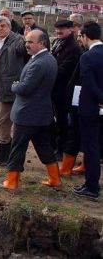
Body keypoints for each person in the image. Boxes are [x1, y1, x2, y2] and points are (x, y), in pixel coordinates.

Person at [2, 30, 59, 190]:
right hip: (41, 113)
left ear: (42, 43)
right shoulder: (49, 59)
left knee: (18, 147)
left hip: (27, 114)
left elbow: (25, 88)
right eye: (26, 41)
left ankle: (12, 181)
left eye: (30, 42)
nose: (26, 44)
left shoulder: (39, 63)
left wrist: (14, 85)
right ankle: (55, 179)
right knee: (43, 146)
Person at [0, 16, 28, 166]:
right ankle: (4, 152)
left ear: (9, 27)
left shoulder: (17, 41)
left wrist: (27, 38)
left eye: (2, 26)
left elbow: (24, 50)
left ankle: (2, 157)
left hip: (8, 87)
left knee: (3, 122)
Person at [72, 21, 103, 201]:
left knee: (91, 148)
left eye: (80, 37)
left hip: (91, 108)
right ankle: (91, 183)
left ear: (85, 36)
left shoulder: (87, 57)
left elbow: (89, 85)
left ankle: (91, 187)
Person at [50, 20, 82, 164]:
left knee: (63, 120)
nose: (58, 32)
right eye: (57, 29)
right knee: (55, 118)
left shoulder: (74, 48)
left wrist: (47, 71)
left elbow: (65, 69)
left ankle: (62, 148)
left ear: (70, 29)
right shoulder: (58, 42)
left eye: (62, 29)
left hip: (64, 90)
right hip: (54, 87)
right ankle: (55, 145)